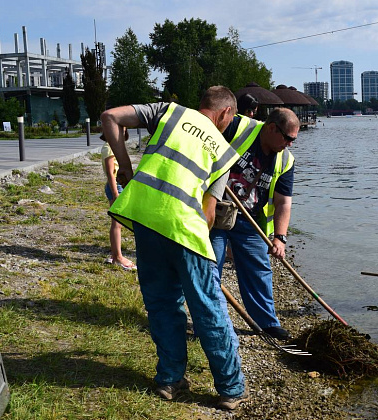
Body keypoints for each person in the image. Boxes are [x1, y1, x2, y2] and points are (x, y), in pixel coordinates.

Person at [100, 86, 249, 410]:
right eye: (231, 118)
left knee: (162, 304)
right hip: (185, 229)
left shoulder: (168, 112)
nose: (229, 123)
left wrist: (125, 166)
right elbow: (209, 213)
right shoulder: (223, 152)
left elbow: (110, 117)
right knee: (208, 308)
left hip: (145, 219)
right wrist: (200, 250)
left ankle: (169, 379)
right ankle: (230, 389)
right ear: (225, 112)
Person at [209, 107, 298, 341]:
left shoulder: (286, 161)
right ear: (271, 128)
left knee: (260, 271)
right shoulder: (239, 127)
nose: (289, 145)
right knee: (211, 267)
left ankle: (267, 323)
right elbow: (206, 138)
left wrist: (280, 237)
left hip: (249, 221)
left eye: (293, 140)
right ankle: (210, 324)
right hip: (216, 212)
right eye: (288, 138)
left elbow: (283, 203)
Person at [100, 129, 136, 270]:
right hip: (115, 186)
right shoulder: (109, 148)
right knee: (117, 223)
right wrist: (115, 193)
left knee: (118, 223)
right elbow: (110, 173)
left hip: (116, 186)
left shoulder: (111, 147)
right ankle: (117, 257)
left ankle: (116, 254)